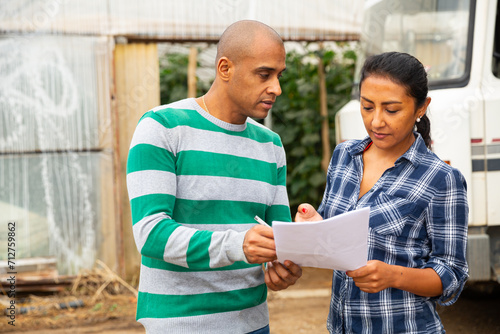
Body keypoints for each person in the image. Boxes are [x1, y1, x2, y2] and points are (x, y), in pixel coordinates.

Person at [126, 20, 302, 334]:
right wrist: (239, 246)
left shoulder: (270, 145)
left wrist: (283, 265)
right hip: (181, 323)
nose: (276, 87)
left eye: (279, 75)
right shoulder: (162, 128)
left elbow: (277, 236)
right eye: (264, 74)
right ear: (225, 68)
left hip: (254, 322)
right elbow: (151, 234)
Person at [296, 52, 469, 333]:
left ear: (421, 107)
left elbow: (452, 276)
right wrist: (314, 223)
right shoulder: (344, 156)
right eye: (367, 107)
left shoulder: (441, 179)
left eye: (391, 110)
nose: (376, 121)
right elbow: (333, 231)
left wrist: (393, 276)